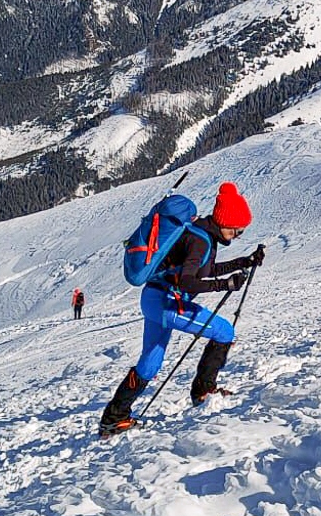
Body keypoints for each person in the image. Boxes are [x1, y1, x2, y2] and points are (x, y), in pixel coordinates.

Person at [100, 182, 263, 437]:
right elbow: (188, 281)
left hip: (154, 298)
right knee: (224, 331)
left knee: (150, 363)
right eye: (238, 230)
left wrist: (244, 262)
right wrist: (225, 285)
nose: (239, 234)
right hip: (167, 302)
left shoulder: (200, 234)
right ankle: (203, 391)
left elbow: (203, 271)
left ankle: (113, 418)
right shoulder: (200, 241)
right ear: (225, 222)